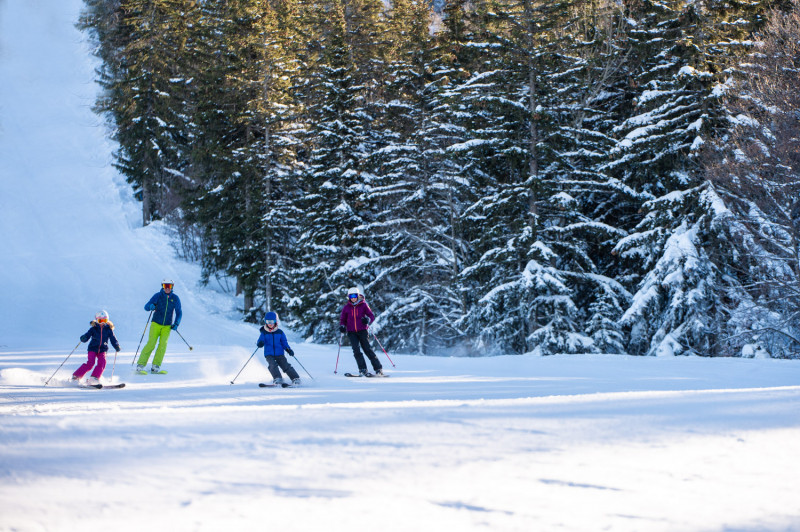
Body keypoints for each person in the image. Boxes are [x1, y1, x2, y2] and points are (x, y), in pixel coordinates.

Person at [136, 278, 182, 374]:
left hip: (167, 326)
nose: (167, 288)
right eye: (165, 286)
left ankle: (156, 365)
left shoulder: (175, 298)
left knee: (163, 345)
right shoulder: (157, 296)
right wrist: (151, 306)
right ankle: (141, 364)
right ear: (162, 286)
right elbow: (146, 306)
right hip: (156, 323)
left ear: (172, 287)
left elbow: (179, 312)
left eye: (169, 286)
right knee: (151, 343)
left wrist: (176, 323)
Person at [339, 286, 383, 376]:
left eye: (355, 295)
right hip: (351, 332)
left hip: (362, 330)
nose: (353, 298)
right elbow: (342, 319)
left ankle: (378, 368)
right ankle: (362, 369)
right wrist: (342, 326)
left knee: (367, 349)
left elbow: (371, 316)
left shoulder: (363, 305)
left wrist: (367, 320)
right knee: (356, 350)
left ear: (358, 296)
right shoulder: (346, 307)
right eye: (351, 296)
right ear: (349, 297)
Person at [72, 310, 121, 384]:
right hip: (93, 348)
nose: (102, 323)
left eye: (104, 320)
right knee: (90, 364)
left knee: (102, 363)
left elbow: (113, 339)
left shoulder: (109, 330)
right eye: (100, 320)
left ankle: (94, 378)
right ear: (97, 320)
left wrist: (116, 345)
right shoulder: (93, 329)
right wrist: (84, 338)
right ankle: (76, 376)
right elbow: (87, 335)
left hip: (102, 349)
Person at [257, 311, 301, 386]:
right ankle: (278, 378)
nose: (270, 324)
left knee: (285, 365)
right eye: (268, 322)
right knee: (272, 365)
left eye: (272, 321)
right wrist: (260, 343)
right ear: (265, 322)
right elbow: (260, 340)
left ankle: (295, 378)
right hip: (269, 353)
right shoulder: (264, 332)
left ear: (275, 321)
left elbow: (284, 342)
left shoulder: (280, 332)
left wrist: (288, 349)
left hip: (279, 353)